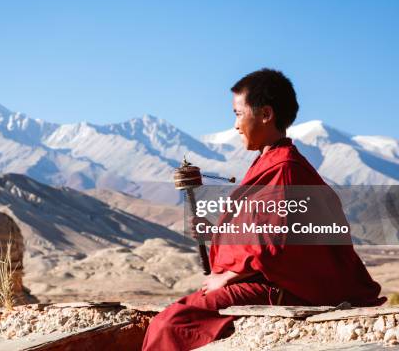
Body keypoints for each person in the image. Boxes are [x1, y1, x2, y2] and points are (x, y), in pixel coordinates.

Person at [142, 68, 385, 351]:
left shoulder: (285, 170)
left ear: (266, 114)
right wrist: (214, 232)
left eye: (237, 113)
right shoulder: (270, 163)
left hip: (280, 288)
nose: (235, 125)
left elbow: (275, 244)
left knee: (172, 324)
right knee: (170, 318)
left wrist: (227, 276)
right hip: (263, 281)